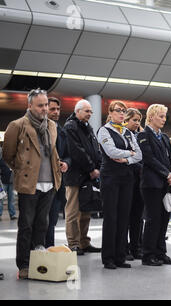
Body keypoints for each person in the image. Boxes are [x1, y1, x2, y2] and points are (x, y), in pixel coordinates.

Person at [2, 88, 63, 279]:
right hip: (29, 183)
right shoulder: (17, 125)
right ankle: (24, 265)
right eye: (40, 105)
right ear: (29, 105)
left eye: (46, 105)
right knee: (26, 225)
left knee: (42, 224)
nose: (45, 109)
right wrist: (22, 170)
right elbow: (8, 155)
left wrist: (59, 165)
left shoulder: (51, 126)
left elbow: (52, 152)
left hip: (49, 183)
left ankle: (38, 262)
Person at [98, 101, 142, 269]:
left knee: (124, 217)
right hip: (110, 178)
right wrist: (129, 153)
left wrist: (127, 158)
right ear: (110, 112)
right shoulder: (104, 130)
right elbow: (111, 152)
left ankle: (120, 256)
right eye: (118, 111)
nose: (122, 114)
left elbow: (139, 154)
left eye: (124, 111)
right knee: (111, 217)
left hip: (126, 178)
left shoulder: (127, 132)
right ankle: (108, 258)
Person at [138, 104, 171, 267]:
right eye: (161, 116)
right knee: (152, 219)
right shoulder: (143, 135)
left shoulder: (164, 137)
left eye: (165, 116)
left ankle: (160, 252)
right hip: (151, 184)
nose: (164, 119)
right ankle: (148, 254)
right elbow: (149, 159)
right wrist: (167, 174)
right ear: (151, 117)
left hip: (166, 184)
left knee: (164, 220)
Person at [63, 99, 102, 256]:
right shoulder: (70, 126)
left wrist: (98, 167)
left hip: (87, 176)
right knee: (72, 211)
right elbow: (76, 151)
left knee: (86, 210)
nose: (90, 114)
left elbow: (95, 148)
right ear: (77, 111)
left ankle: (84, 242)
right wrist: (91, 168)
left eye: (91, 111)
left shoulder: (88, 127)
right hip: (75, 176)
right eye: (87, 111)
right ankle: (73, 243)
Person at [45, 97, 69, 247]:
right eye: (52, 109)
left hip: (57, 182)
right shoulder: (39, 129)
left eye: (58, 109)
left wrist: (66, 163)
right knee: (40, 221)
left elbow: (68, 154)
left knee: (52, 220)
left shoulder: (61, 130)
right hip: (41, 181)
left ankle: (49, 253)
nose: (56, 112)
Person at [124, 108, 145, 260]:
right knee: (125, 216)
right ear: (126, 119)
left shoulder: (139, 135)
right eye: (134, 120)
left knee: (137, 216)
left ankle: (136, 247)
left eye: (139, 120)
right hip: (126, 179)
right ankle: (124, 248)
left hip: (139, 181)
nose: (137, 123)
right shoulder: (121, 136)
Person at [0, 146, 16, 220]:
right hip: (3, 182)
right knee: (1, 199)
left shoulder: (14, 160)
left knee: (11, 199)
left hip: (12, 182)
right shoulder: (1, 159)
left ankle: (12, 214)